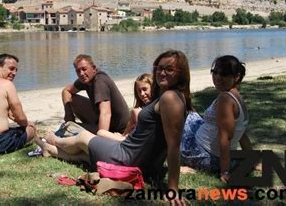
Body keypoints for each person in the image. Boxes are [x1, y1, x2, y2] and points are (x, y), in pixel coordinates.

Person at [37, 50, 192, 198]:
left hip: (127, 158)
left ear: (181, 72)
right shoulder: (171, 96)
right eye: (159, 68)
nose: (162, 72)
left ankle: (54, 140)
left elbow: (173, 145)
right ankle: (50, 149)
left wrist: (173, 189)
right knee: (85, 156)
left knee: (83, 137)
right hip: (141, 162)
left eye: (169, 69)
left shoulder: (170, 98)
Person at [180, 55, 253, 183]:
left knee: (174, 118)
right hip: (212, 152)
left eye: (224, 73)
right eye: (215, 72)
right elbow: (242, 133)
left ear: (236, 77)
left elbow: (225, 138)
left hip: (203, 155)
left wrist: (224, 172)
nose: (218, 77)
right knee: (190, 113)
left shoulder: (225, 99)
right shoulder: (236, 96)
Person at [61, 54, 130, 135]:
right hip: (101, 120)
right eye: (78, 71)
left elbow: (106, 113)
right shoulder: (85, 79)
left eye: (84, 69)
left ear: (94, 68)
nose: (81, 74)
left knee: (69, 128)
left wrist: (100, 139)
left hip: (116, 130)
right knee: (71, 100)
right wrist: (68, 114)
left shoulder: (100, 82)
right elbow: (66, 91)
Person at [97, 73, 153, 141]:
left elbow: (129, 131)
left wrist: (122, 137)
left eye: (144, 89)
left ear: (153, 87)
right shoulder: (158, 105)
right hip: (134, 140)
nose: (142, 94)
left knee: (101, 132)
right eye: (139, 91)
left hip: (132, 143)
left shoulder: (137, 112)